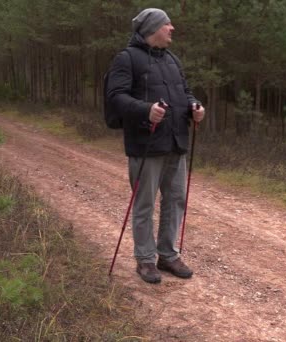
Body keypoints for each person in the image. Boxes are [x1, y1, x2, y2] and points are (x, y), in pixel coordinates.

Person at [106, 8, 205, 284]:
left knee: (176, 200)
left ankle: (168, 255)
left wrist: (194, 106)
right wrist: (145, 110)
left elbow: (185, 92)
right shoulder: (127, 59)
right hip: (145, 144)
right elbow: (115, 97)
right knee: (145, 204)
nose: (172, 28)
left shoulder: (172, 60)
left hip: (176, 141)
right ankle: (146, 259)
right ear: (152, 29)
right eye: (167, 24)